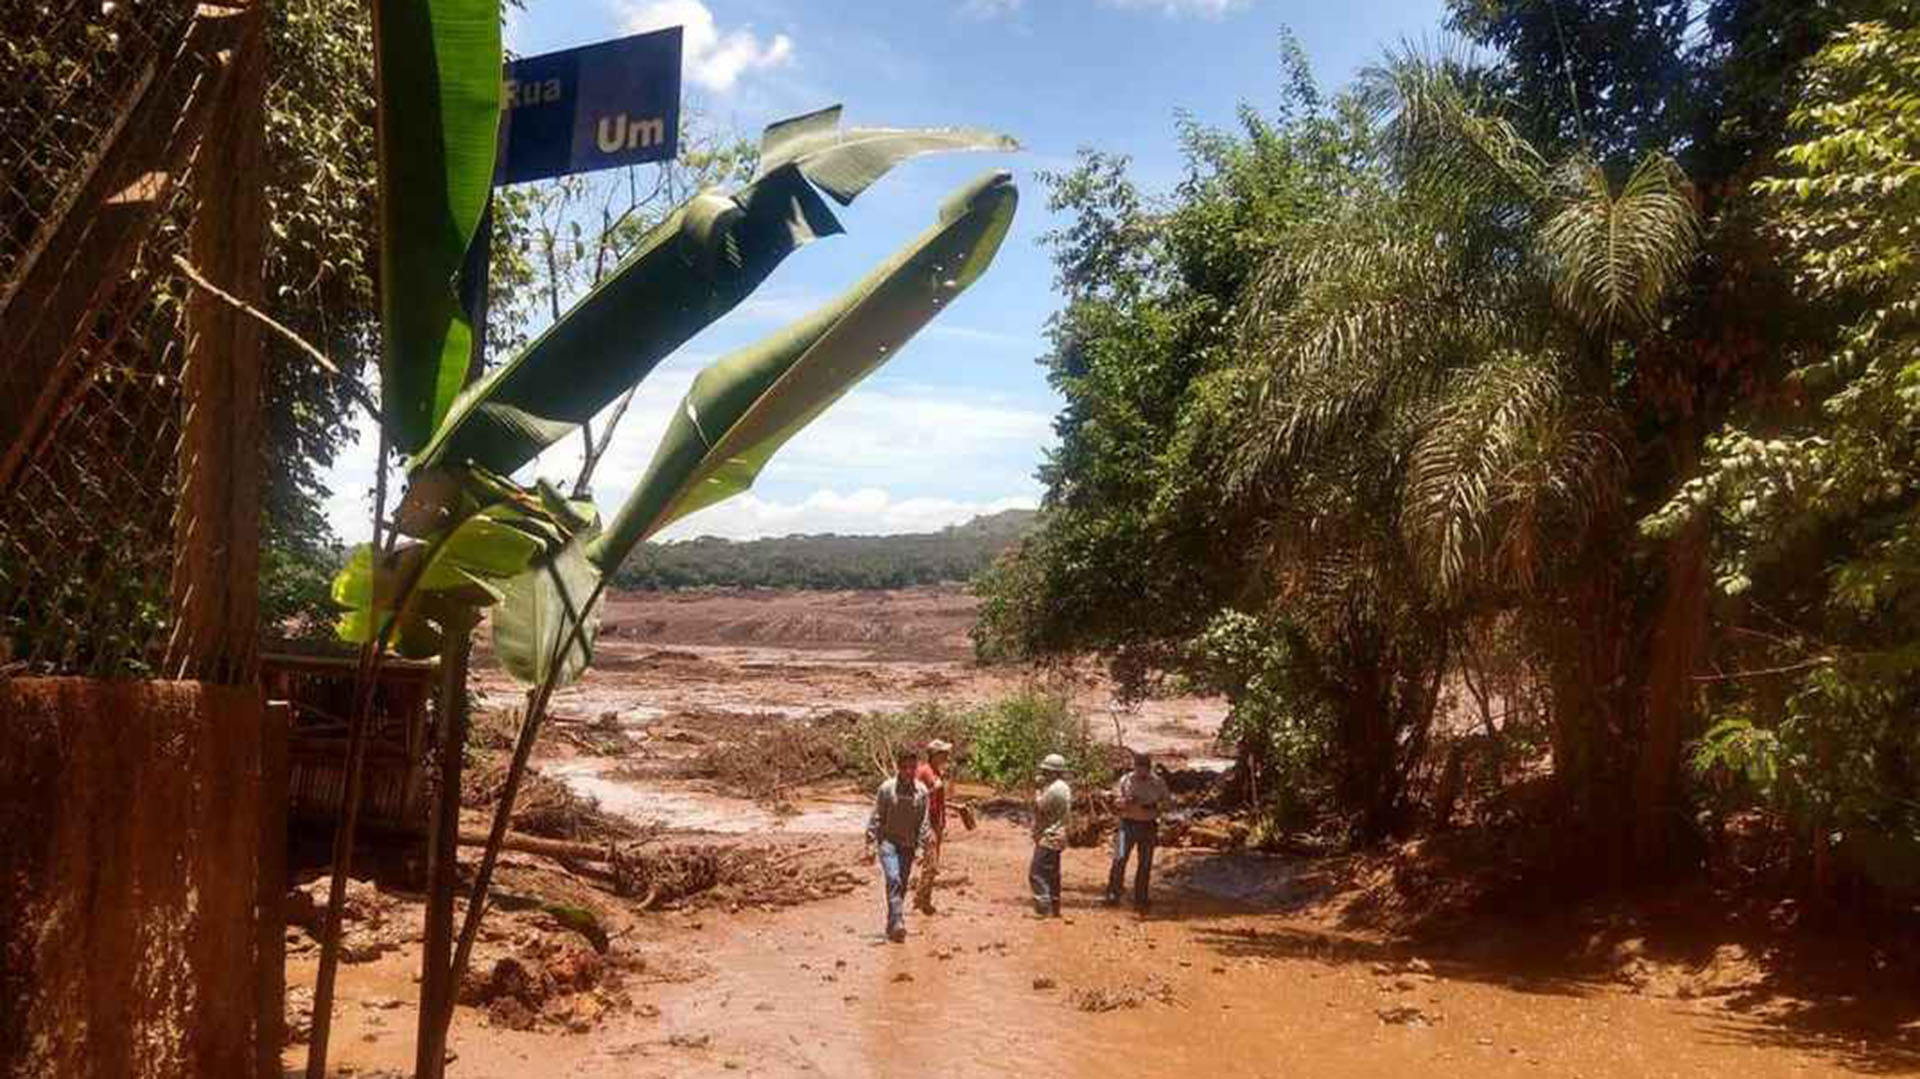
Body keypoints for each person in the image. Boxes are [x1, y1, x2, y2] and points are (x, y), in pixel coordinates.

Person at [865, 748, 933, 942]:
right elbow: (876, 817)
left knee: (901, 885)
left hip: (909, 845)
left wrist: (921, 849)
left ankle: (892, 922)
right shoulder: (886, 789)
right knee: (893, 879)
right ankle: (898, 922)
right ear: (898, 768)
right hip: (888, 843)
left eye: (913, 767)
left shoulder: (921, 792)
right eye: (905, 768)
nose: (909, 771)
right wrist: (870, 844)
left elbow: (924, 823)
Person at [1105, 749, 1170, 912]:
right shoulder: (1125, 780)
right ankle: (1113, 893)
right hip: (1125, 825)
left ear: (1149, 767)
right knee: (1118, 859)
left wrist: (1154, 806)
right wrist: (1125, 801)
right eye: (1139, 766)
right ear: (1135, 766)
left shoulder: (1158, 782)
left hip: (1149, 826)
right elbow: (1115, 802)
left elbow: (1168, 803)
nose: (1141, 770)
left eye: (1145, 767)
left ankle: (1141, 897)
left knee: (1145, 863)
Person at [1029, 753, 1072, 917]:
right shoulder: (1063, 786)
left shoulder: (1054, 789)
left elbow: (1040, 806)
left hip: (1050, 836)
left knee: (1037, 873)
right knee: (1053, 873)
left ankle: (1043, 908)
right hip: (1058, 835)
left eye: (1047, 771)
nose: (1044, 774)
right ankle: (1055, 907)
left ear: (1055, 772)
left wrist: (1038, 790)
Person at [913, 739, 953, 915]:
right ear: (934, 755)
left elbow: (939, 801)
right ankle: (920, 900)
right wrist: (933, 789)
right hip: (926, 823)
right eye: (943, 753)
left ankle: (924, 900)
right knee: (931, 864)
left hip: (936, 822)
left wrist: (943, 822)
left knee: (933, 864)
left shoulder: (936, 771)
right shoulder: (924, 771)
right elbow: (916, 798)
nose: (946, 756)